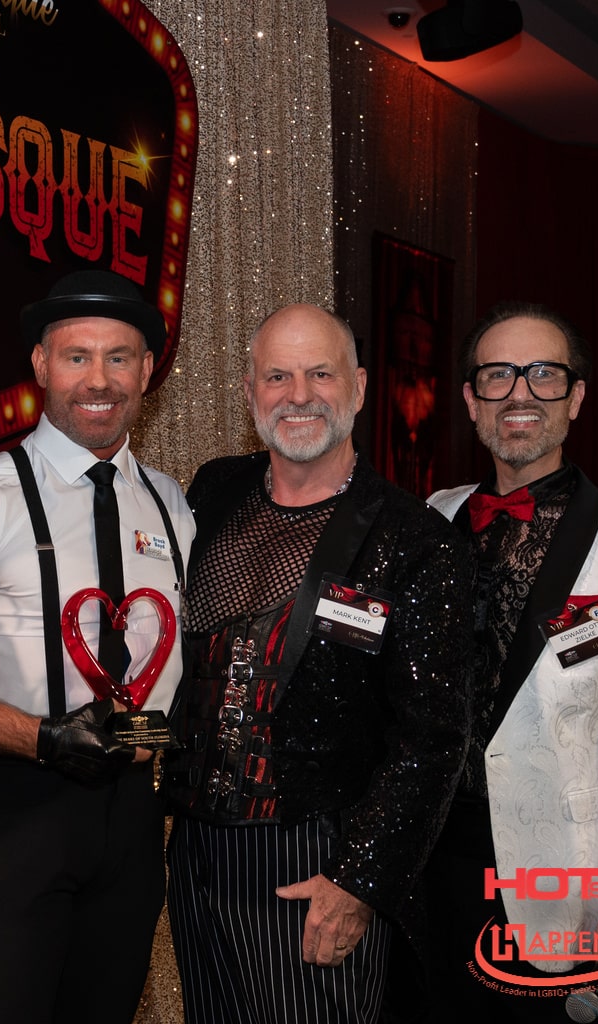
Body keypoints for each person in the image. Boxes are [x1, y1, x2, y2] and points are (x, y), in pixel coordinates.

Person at [0, 269, 195, 1024]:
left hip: (135, 819)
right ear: (40, 365)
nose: (99, 379)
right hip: (15, 809)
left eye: (119, 358)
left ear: (147, 370)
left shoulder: (173, 505)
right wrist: (44, 739)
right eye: (76, 356)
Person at [162, 304, 473, 1024]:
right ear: (249, 392)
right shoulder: (213, 491)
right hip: (196, 850)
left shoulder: (415, 538)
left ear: (358, 387)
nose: (297, 395)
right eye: (277, 376)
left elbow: (432, 738)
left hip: (317, 857)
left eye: (319, 374)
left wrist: (359, 878)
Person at [422, 301, 598, 1021]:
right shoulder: (431, 517)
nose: (519, 392)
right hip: (421, 872)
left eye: (543, 374)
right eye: (497, 375)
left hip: (556, 883)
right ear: (470, 399)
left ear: (575, 397)